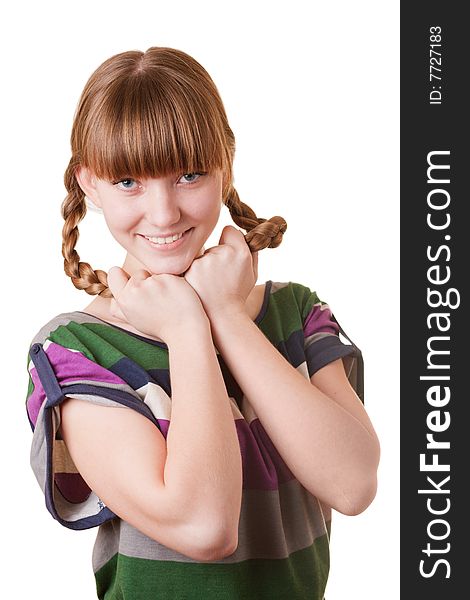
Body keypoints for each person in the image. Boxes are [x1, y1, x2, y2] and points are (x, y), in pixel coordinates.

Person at [25, 46, 380, 599]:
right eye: (128, 183)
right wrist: (189, 330)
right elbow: (203, 526)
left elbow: (354, 485)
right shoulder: (76, 352)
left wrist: (228, 318)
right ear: (88, 183)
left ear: (225, 165)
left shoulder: (294, 314)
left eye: (188, 175)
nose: (165, 213)